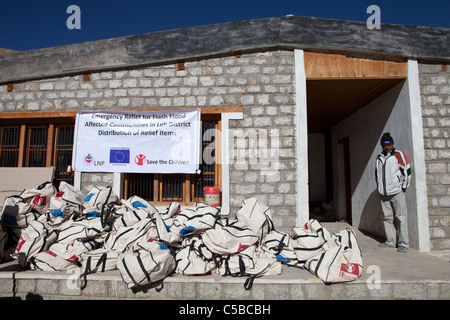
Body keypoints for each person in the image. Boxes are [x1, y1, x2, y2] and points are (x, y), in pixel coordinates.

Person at [375, 132, 411, 252]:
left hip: (396, 192)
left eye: (389, 144)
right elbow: (377, 174)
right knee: (387, 218)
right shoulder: (379, 157)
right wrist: (380, 187)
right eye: (384, 145)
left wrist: (403, 187)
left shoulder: (398, 155)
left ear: (392, 144)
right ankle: (390, 241)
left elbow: (406, 171)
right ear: (382, 146)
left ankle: (403, 243)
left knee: (401, 217)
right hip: (383, 194)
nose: (387, 147)